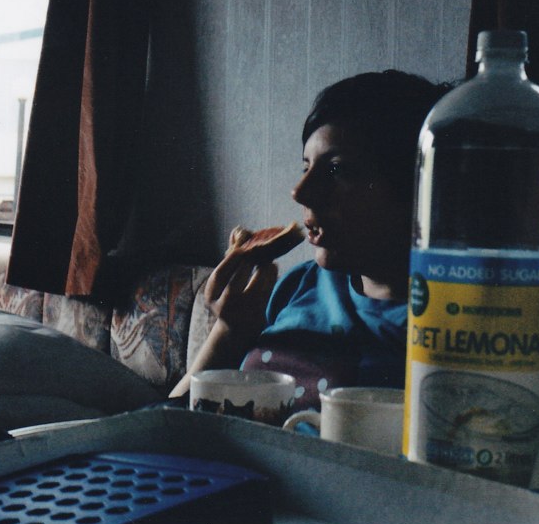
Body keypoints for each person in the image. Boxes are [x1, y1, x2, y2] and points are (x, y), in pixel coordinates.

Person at [169, 70, 452, 410]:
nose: (299, 191)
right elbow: (173, 416)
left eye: (336, 170)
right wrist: (230, 330)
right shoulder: (299, 284)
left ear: (413, 188)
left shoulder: (449, 325)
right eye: (306, 167)